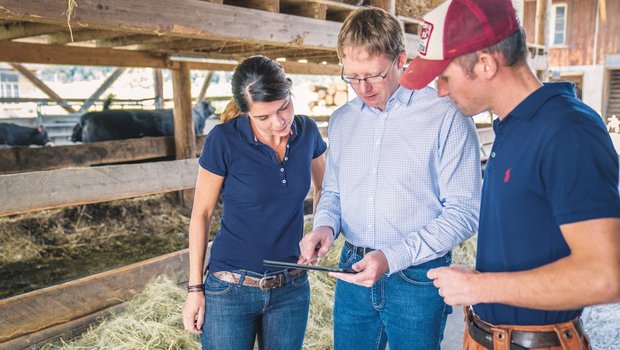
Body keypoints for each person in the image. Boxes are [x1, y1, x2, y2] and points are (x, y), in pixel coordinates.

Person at [399, 0, 620, 349]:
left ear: (485, 64)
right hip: (489, 336)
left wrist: (479, 287)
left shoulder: (568, 131)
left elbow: (607, 276)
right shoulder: (512, 127)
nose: (440, 91)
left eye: (444, 77)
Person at [298, 7, 482, 350]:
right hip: (352, 270)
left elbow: (465, 212)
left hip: (417, 278)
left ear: (401, 60)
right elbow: (334, 193)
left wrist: (391, 257)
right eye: (351, 76)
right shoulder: (342, 120)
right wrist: (324, 226)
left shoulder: (445, 115)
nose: (362, 88)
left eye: (373, 75)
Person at [182, 55, 327, 350]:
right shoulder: (223, 139)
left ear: (288, 91)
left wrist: (319, 231)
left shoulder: (308, 132)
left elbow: (325, 188)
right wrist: (195, 288)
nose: (279, 121)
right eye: (263, 117)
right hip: (230, 289)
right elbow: (202, 214)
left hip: (292, 286)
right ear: (246, 112)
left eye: (283, 107)